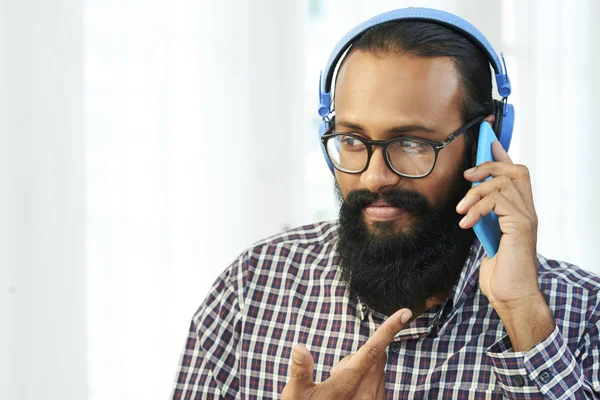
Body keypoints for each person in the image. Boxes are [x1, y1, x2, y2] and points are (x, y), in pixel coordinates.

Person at [171, 8, 600, 399]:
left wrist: (524, 313)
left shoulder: (584, 314)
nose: (375, 176)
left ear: (482, 145)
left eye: (412, 142)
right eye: (353, 140)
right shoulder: (251, 287)